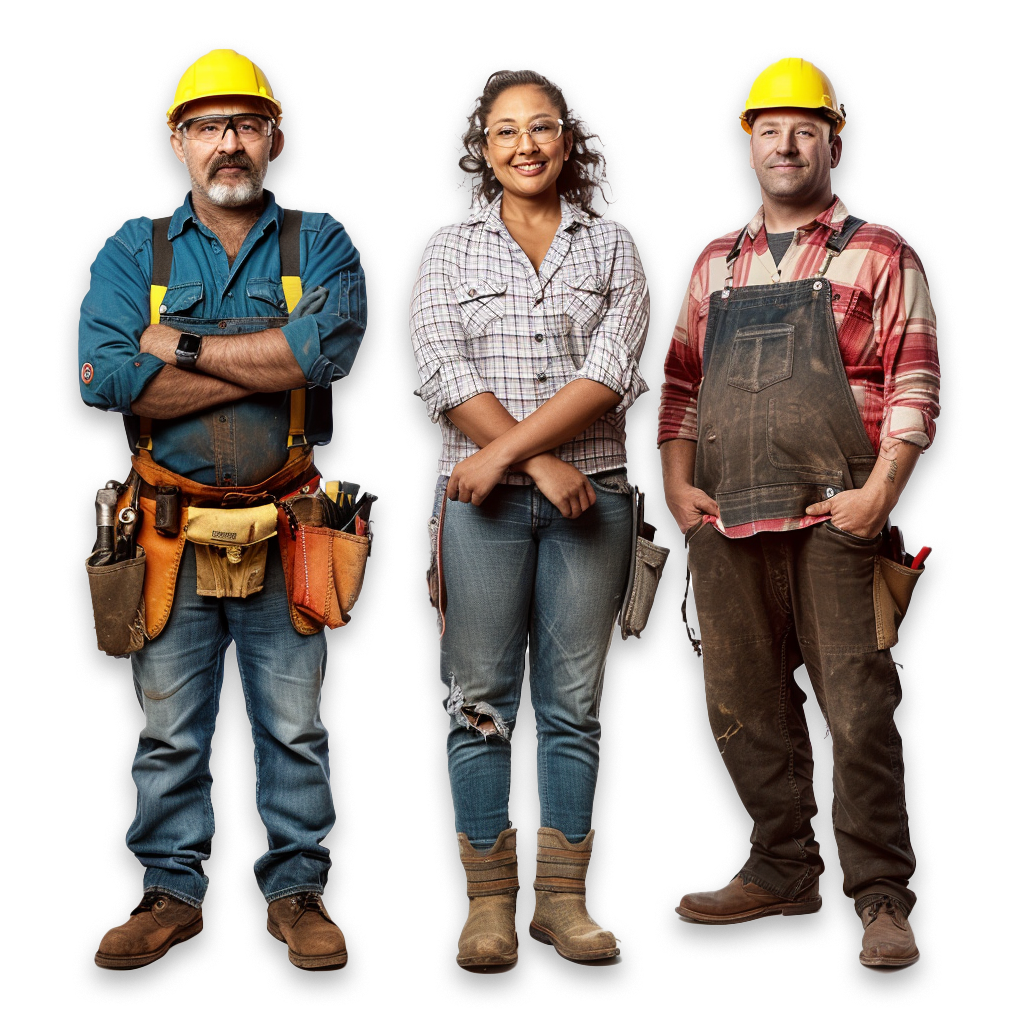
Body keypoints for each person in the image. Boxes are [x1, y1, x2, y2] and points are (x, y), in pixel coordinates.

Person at [79, 48, 368, 972]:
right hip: (165, 528)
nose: (229, 144)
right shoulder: (135, 250)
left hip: (291, 526)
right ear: (177, 142)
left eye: (246, 124)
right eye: (207, 126)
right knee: (168, 730)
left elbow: (322, 359)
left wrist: (182, 347)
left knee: (295, 726)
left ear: (276, 136)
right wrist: (260, 355)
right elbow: (108, 378)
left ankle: (298, 893)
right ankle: (170, 892)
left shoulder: (322, 242)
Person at [657, 56, 939, 974]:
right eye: (769, 129)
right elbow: (680, 389)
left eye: (805, 128)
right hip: (728, 520)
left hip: (838, 520)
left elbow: (916, 381)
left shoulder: (881, 251)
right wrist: (675, 483)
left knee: (858, 710)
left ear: (833, 141)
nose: (786, 142)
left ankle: (882, 896)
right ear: (749, 146)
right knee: (740, 704)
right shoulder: (716, 262)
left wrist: (881, 492)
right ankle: (782, 868)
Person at [409, 67, 650, 971]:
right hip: (479, 511)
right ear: (483, 150)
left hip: (599, 501)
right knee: (478, 702)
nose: (524, 146)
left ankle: (563, 903)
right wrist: (535, 461)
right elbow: (440, 371)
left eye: (541, 129)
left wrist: (522, 455)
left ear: (569, 141)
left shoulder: (614, 246)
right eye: (504, 132)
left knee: (574, 705)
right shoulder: (447, 249)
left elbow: (615, 368)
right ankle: (487, 907)